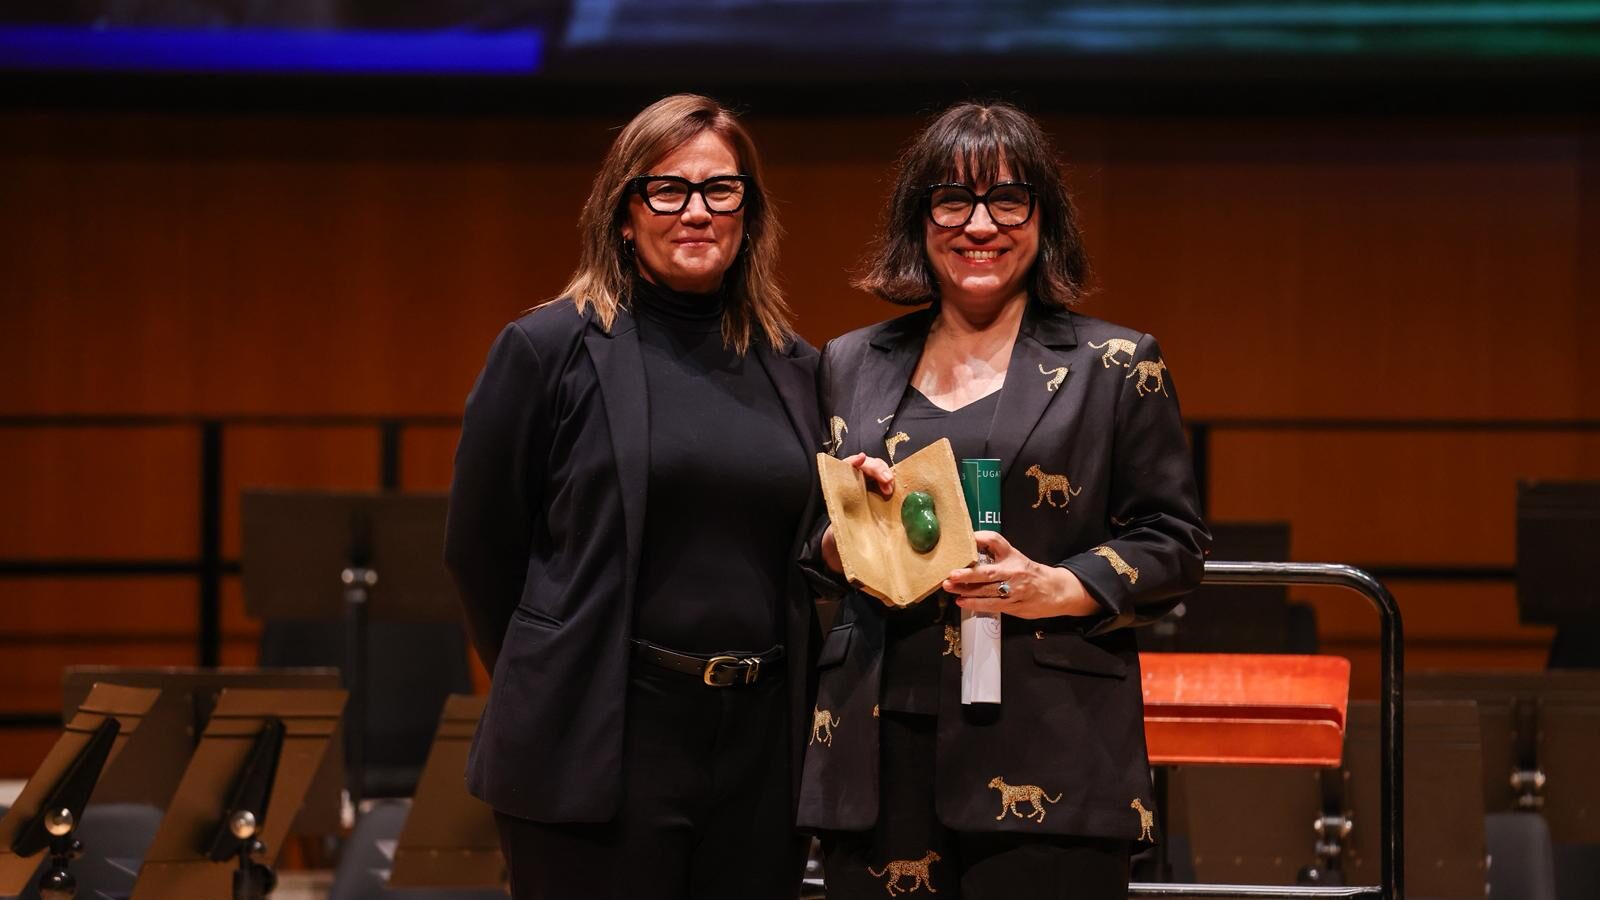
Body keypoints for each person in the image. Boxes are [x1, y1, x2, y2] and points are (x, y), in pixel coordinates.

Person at [798, 101, 1210, 897]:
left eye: (1007, 200)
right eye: (952, 200)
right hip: (877, 752)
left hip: (1052, 740)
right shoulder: (849, 362)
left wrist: (1060, 585)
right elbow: (809, 536)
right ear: (919, 220)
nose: (978, 225)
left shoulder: (1117, 365)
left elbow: (1176, 541)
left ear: (1043, 217)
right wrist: (842, 535)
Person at [445, 93, 821, 899]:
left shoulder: (796, 366)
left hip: (761, 752)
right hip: (602, 737)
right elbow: (480, 550)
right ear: (623, 213)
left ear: (749, 214)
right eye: (668, 189)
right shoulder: (546, 349)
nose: (697, 211)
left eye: (722, 190)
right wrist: (551, 680)